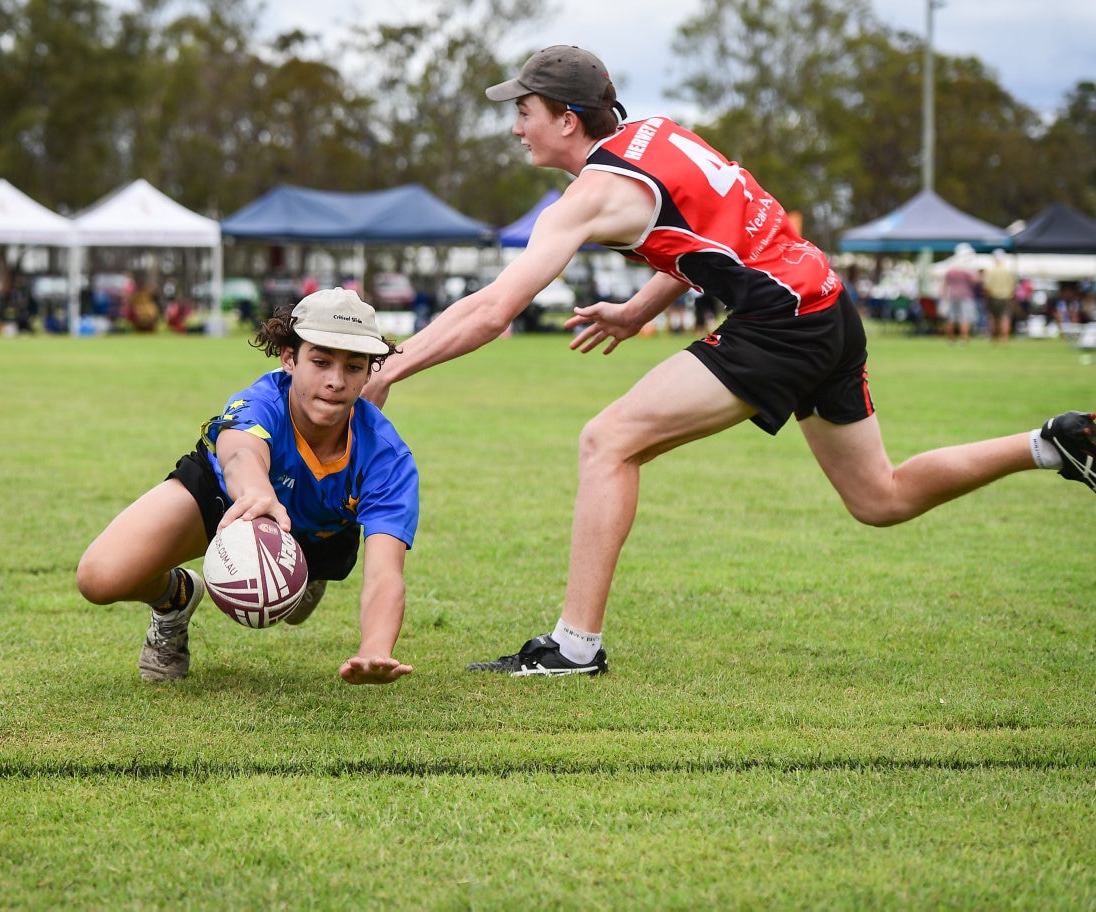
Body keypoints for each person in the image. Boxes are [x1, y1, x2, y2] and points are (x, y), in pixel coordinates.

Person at [361, 45, 1096, 677]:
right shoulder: (657, 134)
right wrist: (638, 309)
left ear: (566, 118)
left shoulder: (588, 197)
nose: (515, 126)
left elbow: (495, 309)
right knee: (880, 498)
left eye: (523, 110)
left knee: (606, 441)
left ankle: (575, 649)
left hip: (783, 321)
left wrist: (391, 367)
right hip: (827, 303)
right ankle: (1049, 443)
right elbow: (701, 234)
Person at [77, 287, 420, 685]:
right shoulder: (262, 402)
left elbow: (385, 572)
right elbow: (240, 452)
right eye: (321, 361)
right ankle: (176, 598)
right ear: (290, 359)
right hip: (225, 496)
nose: (335, 381)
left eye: (354, 367)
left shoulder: (388, 458)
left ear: (368, 372)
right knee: (98, 577)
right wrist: (257, 491)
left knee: (291, 611)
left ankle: (308, 576)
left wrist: (375, 649)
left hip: (319, 532)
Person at [940, 245, 980, 345]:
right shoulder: (967, 268)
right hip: (965, 296)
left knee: (951, 318)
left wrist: (944, 297)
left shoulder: (951, 267)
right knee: (965, 318)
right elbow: (975, 280)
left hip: (952, 295)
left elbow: (945, 283)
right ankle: (963, 340)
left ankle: (950, 340)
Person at [981, 249, 1018, 344]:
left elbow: (987, 287)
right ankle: (1004, 339)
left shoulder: (991, 271)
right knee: (1005, 318)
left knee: (994, 318)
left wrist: (986, 299)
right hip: (1007, 298)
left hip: (994, 297)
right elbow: (1013, 286)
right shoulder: (1008, 271)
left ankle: (994, 338)